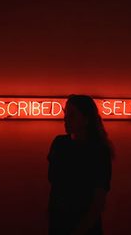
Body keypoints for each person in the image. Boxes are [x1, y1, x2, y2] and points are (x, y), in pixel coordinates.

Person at [47, 94, 115, 235]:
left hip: (86, 227)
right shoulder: (59, 144)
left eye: (72, 115)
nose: (65, 118)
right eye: (66, 113)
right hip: (59, 223)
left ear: (86, 119)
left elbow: (98, 201)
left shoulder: (99, 152)